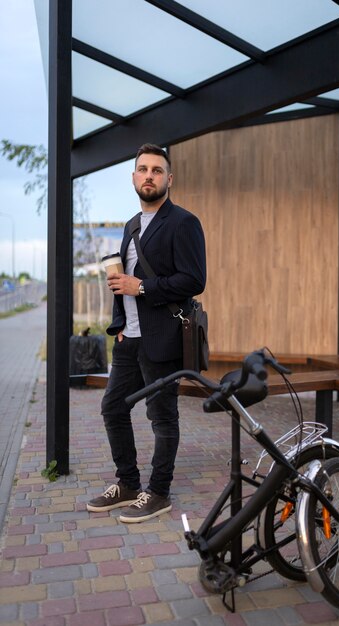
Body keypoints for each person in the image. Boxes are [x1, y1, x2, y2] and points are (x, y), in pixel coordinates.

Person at [87, 144, 206, 523]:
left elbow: (194, 280)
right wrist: (120, 323)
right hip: (130, 338)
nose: (149, 175)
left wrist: (142, 288)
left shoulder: (184, 222)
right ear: (134, 178)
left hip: (163, 338)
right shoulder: (132, 225)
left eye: (157, 170)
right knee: (113, 408)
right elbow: (126, 281)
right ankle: (127, 483)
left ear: (169, 179)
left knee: (162, 416)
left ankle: (158, 492)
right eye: (143, 169)